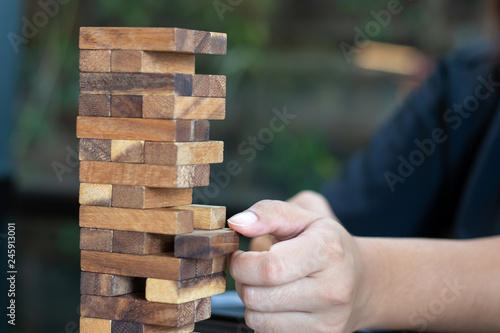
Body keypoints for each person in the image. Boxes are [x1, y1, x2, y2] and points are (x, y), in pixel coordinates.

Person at [228, 4, 500, 333]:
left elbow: (351, 265)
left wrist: (365, 282)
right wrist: (301, 237)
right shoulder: (466, 79)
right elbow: (346, 220)